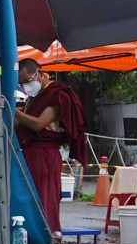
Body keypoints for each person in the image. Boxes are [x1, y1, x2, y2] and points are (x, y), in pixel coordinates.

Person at [14, 58, 87, 232]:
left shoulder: (57, 94)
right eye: (21, 83)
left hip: (45, 155)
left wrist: (12, 111)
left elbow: (39, 124)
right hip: (29, 153)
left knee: (45, 200)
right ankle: (30, 242)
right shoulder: (33, 97)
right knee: (29, 201)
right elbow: (24, 124)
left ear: (39, 73)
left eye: (27, 81)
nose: (25, 86)